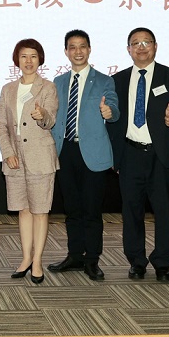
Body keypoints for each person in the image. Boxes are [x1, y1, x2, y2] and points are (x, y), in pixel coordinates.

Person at [108, 27, 169, 283]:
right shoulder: (118, 80)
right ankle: (137, 261)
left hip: (161, 156)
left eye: (146, 42)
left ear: (155, 46)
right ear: (128, 49)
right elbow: (114, 120)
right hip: (130, 154)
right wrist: (116, 156)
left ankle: (163, 262)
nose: (141, 47)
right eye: (136, 43)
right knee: (132, 211)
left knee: (165, 211)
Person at [49, 30, 119, 282]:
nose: (77, 51)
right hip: (65, 150)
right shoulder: (58, 82)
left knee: (91, 209)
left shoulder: (104, 80)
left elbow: (114, 108)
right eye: (72, 47)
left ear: (89, 49)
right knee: (72, 209)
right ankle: (75, 255)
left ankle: (92, 260)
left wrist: (109, 111)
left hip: (93, 153)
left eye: (82, 46)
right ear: (66, 51)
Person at [0, 39, 58, 283]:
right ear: (17, 60)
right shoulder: (8, 89)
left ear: (40, 59)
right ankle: (25, 258)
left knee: (40, 211)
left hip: (40, 157)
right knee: (23, 210)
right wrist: (7, 152)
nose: (29, 61)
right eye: (24, 56)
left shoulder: (48, 88)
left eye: (33, 56)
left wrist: (42, 115)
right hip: (15, 159)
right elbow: (1, 126)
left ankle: (38, 260)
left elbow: (50, 120)